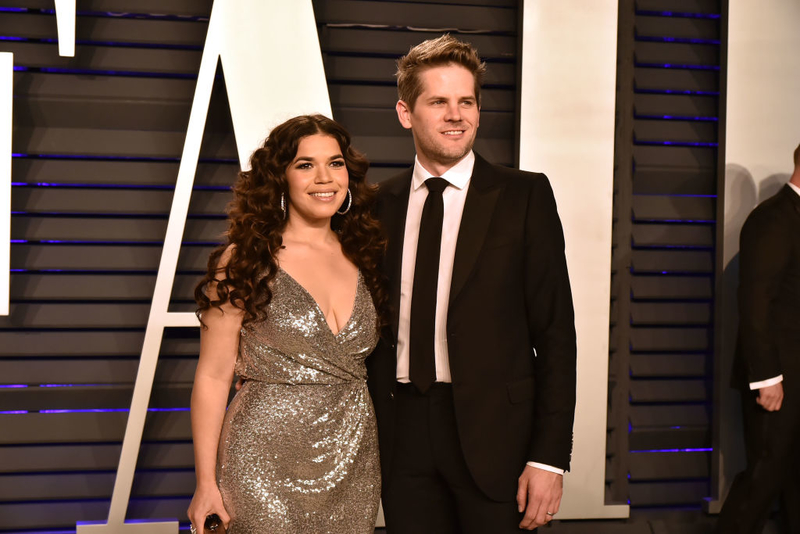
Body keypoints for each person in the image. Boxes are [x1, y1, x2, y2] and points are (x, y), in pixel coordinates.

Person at [366, 34, 577, 533]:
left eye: (466, 102)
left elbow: (556, 334)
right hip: (401, 435)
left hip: (496, 438)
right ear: (405, 112)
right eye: (438, 101)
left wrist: (549, 458)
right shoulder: (377, 205)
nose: (455, 115)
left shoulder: (525, 196)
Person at [187, 114, 387, 533]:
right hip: (262, 459)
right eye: (304, 164)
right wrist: (205, 483)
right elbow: (212, 375)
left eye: (335, 163)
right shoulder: (244, 260)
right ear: (280, 177)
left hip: (353, 460)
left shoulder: (367, 253)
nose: (324, 178)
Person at [717, 145, 800, 534]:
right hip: (779, 380)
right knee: (764, 477)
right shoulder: (774, 218)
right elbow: (754, 303)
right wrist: (767, 377)